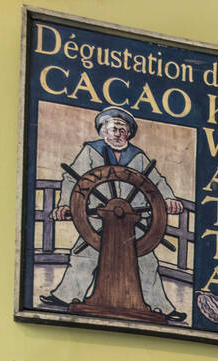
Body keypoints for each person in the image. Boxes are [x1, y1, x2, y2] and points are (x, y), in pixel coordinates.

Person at [41, 106, 185, 322]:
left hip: (133, 221)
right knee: (84, 256)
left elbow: (156, 182)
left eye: (122, 129)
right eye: (112, 128)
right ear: (102, 131)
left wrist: (169, 198)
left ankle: (160, 307)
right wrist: (65, 205)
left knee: (147, 262)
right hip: (99, 219)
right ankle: (66, 296)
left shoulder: (138, 157)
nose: (117, 133)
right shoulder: (91, 151)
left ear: (128, 133)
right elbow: (73, 179)